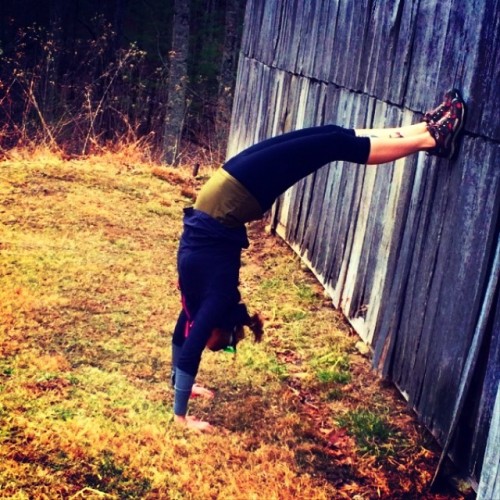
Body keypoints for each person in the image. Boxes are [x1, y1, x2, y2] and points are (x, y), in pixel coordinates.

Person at [171, 89, 466, 432]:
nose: (210, 346)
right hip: (237, 194)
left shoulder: (194, 310)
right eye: (218, 346)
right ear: (217, 327)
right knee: (332, 145)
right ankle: (431, 139)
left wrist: (183, 389)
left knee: (331, 135)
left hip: (229, 188)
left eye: (219, 347)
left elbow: (184, 344)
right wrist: (181, 418)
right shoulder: (215, 301)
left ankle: (424, 130)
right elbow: (190, 348)